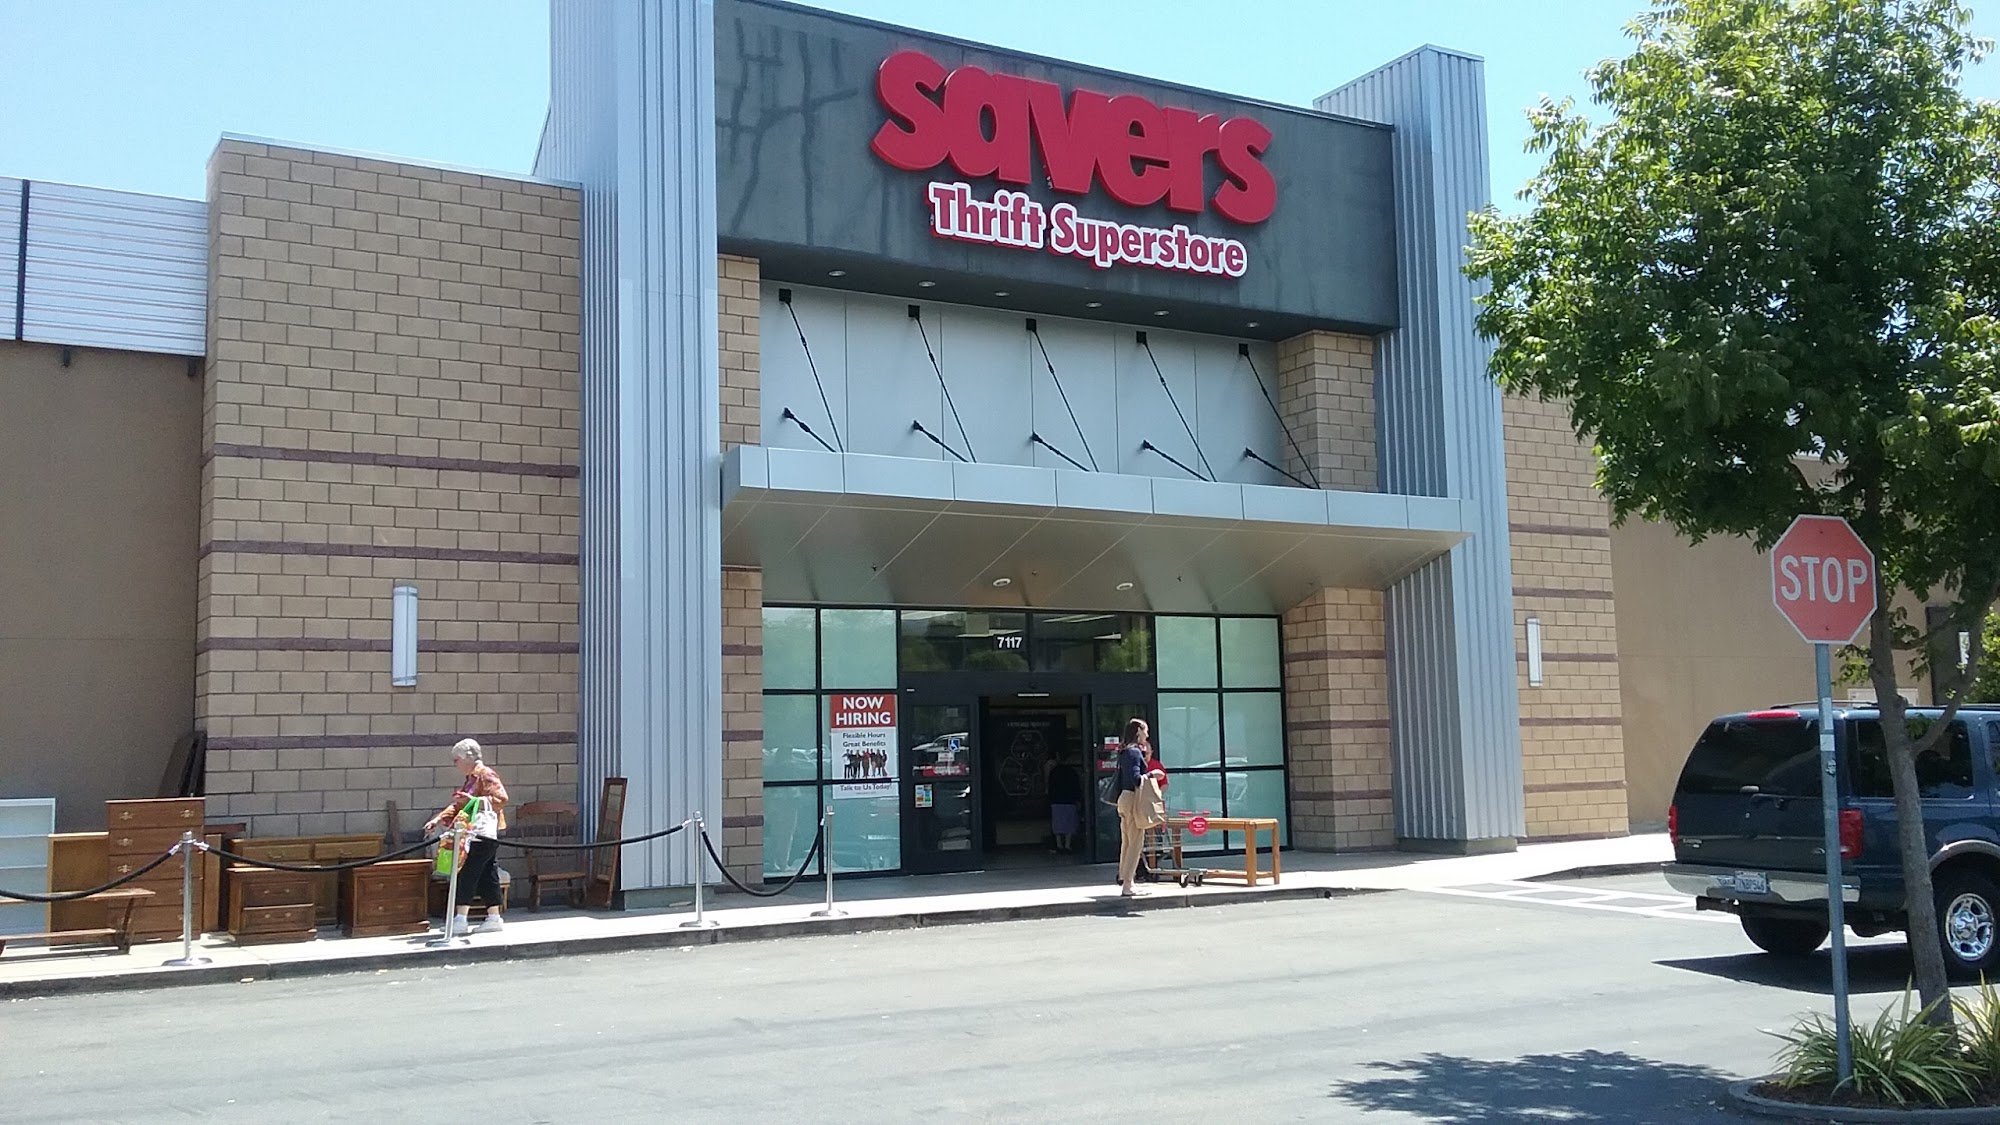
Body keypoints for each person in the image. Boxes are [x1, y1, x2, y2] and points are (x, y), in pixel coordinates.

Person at [423, 738, 511, 936]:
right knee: (488, 873)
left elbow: (501, 799)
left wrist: (474, 800)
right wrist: (438, 819)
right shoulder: (471, 778)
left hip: (483, 833)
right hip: (477, 832)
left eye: (456, 760)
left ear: (468, 757)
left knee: (467, 872)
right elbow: (458, 805)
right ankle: (494, 917)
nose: (455, 764)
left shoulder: (486, 774)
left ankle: (461, 918)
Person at [1113, 718, 1166, 898]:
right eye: (1145, 731)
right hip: (1133, 800)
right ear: (1138, 731)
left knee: (1127, 842)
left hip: (1124, 799)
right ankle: (1128, 885)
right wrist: (1152, 774)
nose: (1147, 735)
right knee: (1135, 844)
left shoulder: (1124, 752)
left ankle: (1126, 879)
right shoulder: (1134, 752)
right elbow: (1136, 778)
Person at [1137, 744, 1170, 882]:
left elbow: (1165, 784)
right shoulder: (1137, 766)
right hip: (1140, 806)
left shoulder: (1156, 765)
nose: (1145, 755)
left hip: (1154, 807)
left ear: (1151, 752)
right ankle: (1140, 869)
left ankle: (1153, 867)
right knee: (1140, 841)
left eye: (1147, 752)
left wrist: (1156, 794)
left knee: (1155, 841)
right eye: (1142, 752)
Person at [1046, 752, 1083, 855]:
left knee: (1057, 824)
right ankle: (1067, 845)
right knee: (1069, 823)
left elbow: (1050, 787)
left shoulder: (1054, 772)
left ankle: (1059, 845)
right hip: (1070, 801)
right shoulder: (1072, 772)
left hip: (1057, 801)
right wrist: (1078, 799)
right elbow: (1076, 787)